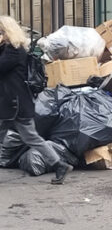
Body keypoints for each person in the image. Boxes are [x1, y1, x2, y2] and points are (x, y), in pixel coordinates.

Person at [0, 16, 72, 184]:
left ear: (6, 32)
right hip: (12, 103)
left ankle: (59, 164)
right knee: (31, 137)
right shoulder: (8, 49)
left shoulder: (14, 50)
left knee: (31, 137)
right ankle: (59, 164)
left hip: (13, 104)